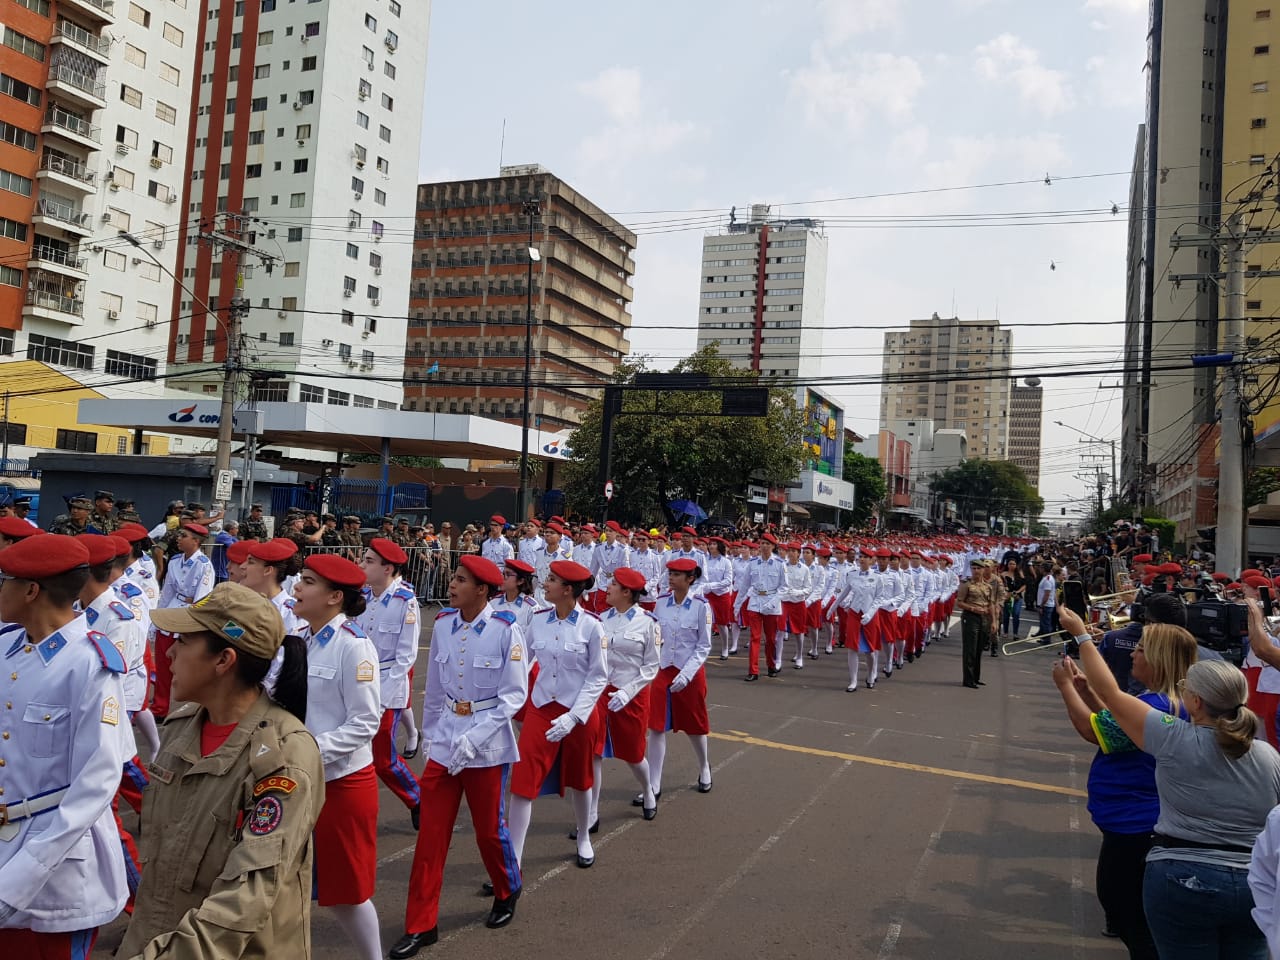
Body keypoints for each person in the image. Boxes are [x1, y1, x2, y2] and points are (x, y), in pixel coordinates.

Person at [115, 582, 321, 959]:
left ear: (223, 660)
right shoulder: (181, 728)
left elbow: (247, 896)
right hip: (153, 940)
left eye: (185, 641)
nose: (170, 652)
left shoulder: (283, 756)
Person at [1065, 605, 1280, 960]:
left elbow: (1112, 696)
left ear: (1196, 701)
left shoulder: (1175, 738)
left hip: (1181, 873)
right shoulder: (1268, 755)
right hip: (1251, 881)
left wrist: (1082, 635)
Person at [390, 555, 526, 959]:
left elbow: (514, 695)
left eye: (461, 580)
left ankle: (507, 888)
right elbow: (434, 686)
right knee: (431, 834)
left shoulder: (505, 630)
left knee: (488, 830)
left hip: (487, 743)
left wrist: (477, 739)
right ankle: (420, 924)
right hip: (448, 737)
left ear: (482, 590)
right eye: (452, 578)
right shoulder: (446, 623)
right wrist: (432, 735)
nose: (451, 585)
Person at [0, 536, 128, 957]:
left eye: (6, 580)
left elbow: (97, 781)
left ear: (31, 591)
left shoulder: (90, 664)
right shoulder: (6, 648)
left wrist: (23, 874)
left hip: (57, 868)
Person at [1053, 619, 1197, 960]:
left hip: (1135, 822)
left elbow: (1096, 732)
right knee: (1127, 912)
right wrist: (1087, 692)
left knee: (1128, 915)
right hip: (1132, 819)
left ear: (1158, 659)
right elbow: (1123, 728)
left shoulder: (1160, 703)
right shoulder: (1165, 701)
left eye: (1141, 648)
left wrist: (1066, 688)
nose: (1133, 653)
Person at [292, 554, 384, 960]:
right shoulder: (301, 638)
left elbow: (366, 722)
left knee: (347, 891)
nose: (297, 586)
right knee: (288, 880)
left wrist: (308, 749)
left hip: (342, 783)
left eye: (308, 582)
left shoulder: (355, 647)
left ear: (333, 597)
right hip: (298, 777)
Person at [507, 560, 608, 870]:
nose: (544, 584)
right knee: (523, 782)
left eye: (551, 580)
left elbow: (598, 677)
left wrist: (573, 717)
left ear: (568, 590)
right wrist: (511, 694)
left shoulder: (591, 626)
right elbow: (523, 660)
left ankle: (583, 835)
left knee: (580, 779)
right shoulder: (538, 620)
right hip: (541, 709)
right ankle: (513, 859)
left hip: (577, 712)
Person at [357, 538, 423, 827]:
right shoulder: (363, 597)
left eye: (369, 561)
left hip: (386, 689)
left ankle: (417, 797)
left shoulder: (404, 602)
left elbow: (406, 657)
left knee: (382, 759)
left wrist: (381, 698)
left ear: (387, 568)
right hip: (358, 683)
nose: (362, 565)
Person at [590, 566, 660, 826]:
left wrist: (628, 692)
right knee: (594, 753)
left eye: (613, 585)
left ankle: (649, 789)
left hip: (632, 694)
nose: (607, 588)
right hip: (601, 693)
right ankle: (591, 813)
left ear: (627, 593)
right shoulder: (601, 619)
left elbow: (651, 666)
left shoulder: (648, 623)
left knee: (633, 754)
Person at [649, 556, 714, 799]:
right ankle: (653, 782)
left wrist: (686, 675)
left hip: (690, 671)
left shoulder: (701, 606)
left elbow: (704, 646)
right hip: (663, 669)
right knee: (656, 727)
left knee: (695, 725)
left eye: (677, 574)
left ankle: (704, 766)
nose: (671, 578)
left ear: (690, 579)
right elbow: (656, 636)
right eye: (670, 573)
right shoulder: (662, 601)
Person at [153, 522, 215, 718]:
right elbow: (168, 590)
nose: (178, 539)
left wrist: (193, 622)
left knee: (189, 668)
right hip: (172, 607)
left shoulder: (204, 565)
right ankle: (160, 707)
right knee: (163, 665)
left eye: (184, 536)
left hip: (188, 614)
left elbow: (202, 597)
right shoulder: (174, 561)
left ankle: (191, 710)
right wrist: (157, 617)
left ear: (196, 541)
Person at [735, 533, 785, 680]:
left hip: (772, 601)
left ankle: (771, 665)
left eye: (767, 544)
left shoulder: (779, 564)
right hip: (756, 600)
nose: (764, 546)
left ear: (773, 546)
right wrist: (737, 605)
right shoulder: (753, 563)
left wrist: (772, 603)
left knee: (770, 639)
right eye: (762, 543)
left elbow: (784, 587)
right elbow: (744, 586)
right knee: (754, 637)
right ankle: (753, 670)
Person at [957, 559, 995, 688]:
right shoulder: (966, 584)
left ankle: (976, 677)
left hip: (984, 618)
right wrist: (972, 608)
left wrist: (994, 621)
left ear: (984, 570)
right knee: (970, 649)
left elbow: (991, 605)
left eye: (979, 569)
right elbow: (960, 602)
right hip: (971, 616)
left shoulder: (988, 586)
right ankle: (968, 679)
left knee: (979, 648)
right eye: (974, 568)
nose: (976, 571)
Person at [999, 557, 1026, 652]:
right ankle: (1005, 632)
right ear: (1007, 564)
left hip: (1017, 598)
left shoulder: (1019, 574)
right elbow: (1001, 587)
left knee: (1016, 614)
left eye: (1013, 564)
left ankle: (1015, 633)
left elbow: (1024, 585)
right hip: (1007, 598)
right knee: (1006, 615)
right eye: (1010, 564)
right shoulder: (1003, 574)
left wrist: (1017, 592)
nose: (1012, 566)